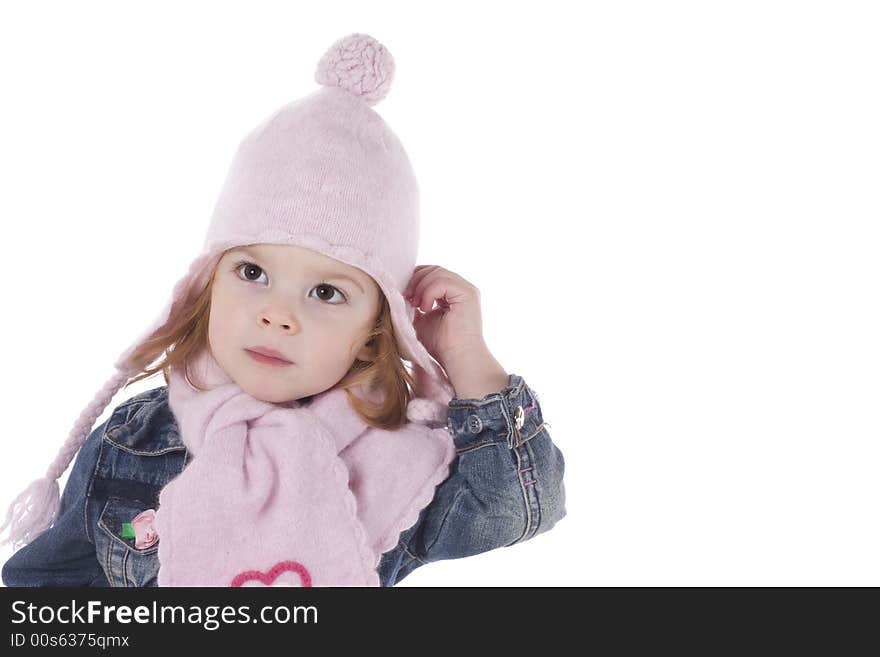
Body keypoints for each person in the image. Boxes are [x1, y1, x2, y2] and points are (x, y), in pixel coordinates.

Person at [0, 33, 566, 587]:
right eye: (253, 273)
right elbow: (48, 592)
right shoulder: (132, 442)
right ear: (208, 285)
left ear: (374, 333)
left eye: (326, 293)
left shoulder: (399, 454)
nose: (277, 315)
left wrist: (467, 356)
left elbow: (518, 508)